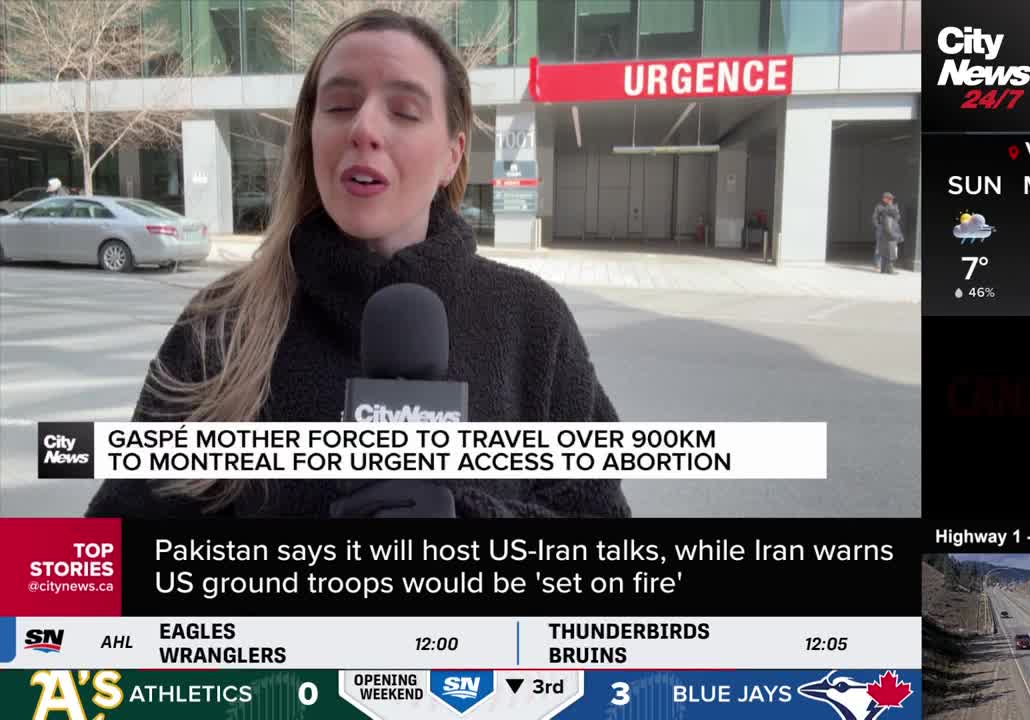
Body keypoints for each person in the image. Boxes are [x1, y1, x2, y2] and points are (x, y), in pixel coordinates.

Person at [86, 9, 630, 519]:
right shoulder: (223, 323)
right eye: (340, 106)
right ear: (311, 136)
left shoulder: (531, 320)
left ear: (452, 155)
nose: (363, 128)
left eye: (405, 111)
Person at [872, 191, 902, 274]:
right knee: (879, 248)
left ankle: (887, 268)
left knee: (891, 248)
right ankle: (877, 265)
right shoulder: (879, 206)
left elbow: (897, 217)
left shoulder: (893, 206)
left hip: (890, 230)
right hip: (882, 230)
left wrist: (892, 207)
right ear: (884, 198)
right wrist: (878, 227)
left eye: (891, 199)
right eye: (888, 198)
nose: (890, 200)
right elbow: (874, 218)